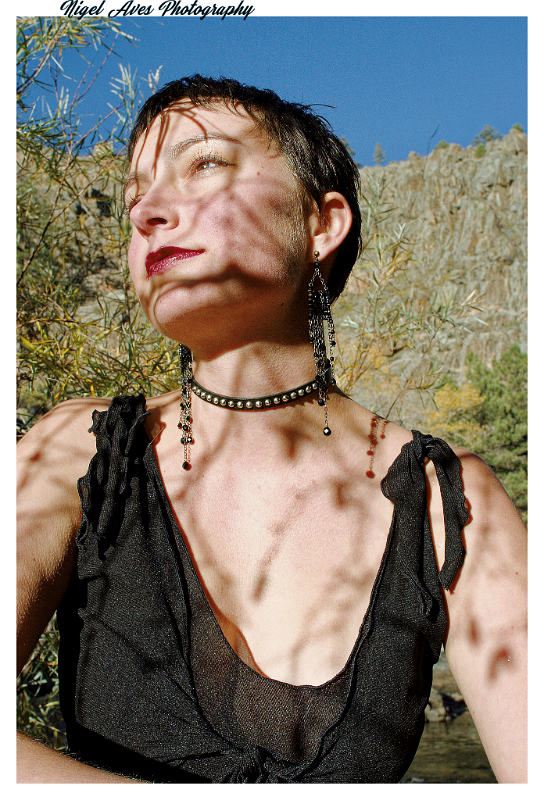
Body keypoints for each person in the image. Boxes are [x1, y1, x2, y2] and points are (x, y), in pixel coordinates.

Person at [17, 75, 527, 784]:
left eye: (204, 164)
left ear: (322, 225)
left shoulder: (450, 502)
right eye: (135, 198)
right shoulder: (78, 453)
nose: (149, 212)